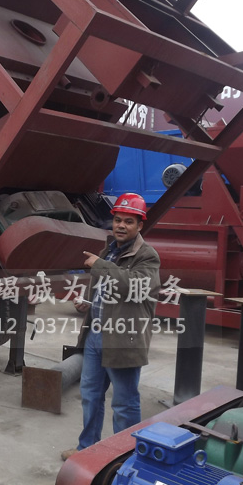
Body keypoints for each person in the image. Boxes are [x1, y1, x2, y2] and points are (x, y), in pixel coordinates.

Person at [61, 192, 161, 461]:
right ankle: (87, 448)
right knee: (90, 395)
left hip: (123, 339)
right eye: (118, 220)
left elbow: (134, 286)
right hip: (96, 336)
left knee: (124, 403)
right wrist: (87, 303)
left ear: (140, 225)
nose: (121, 226)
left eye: (129, 221)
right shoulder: (110, 250)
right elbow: (103, 287)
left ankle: (125, 458)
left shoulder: (147, 256)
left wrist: (99, 264)